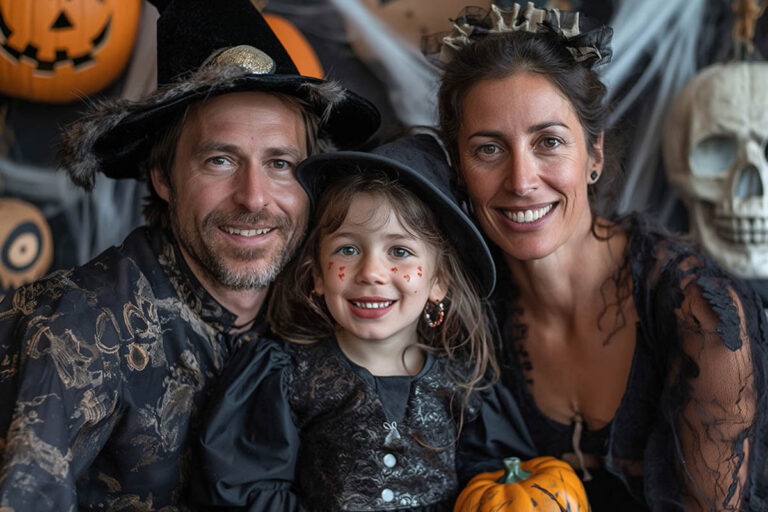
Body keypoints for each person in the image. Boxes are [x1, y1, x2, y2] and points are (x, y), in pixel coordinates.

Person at [0, 0, 380, 509]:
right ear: (163, 178)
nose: (254, 197)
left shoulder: (322, 311)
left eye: (281, 163)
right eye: (220, 160)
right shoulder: (81, 328)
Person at [433, 3, 768, 511]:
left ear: (594, 155)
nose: (522, 181)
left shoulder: (700, 311)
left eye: (548, 142)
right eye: (488, 149)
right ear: (458, 167)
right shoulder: (467, 309)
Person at [195, 133, 536, 511]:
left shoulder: (464, 385)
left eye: (401, 251)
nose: (372, 272)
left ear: (439, 282)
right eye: (348, 249)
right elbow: (249, 489)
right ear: (318, 277)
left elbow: (499, 486)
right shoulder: (286, 375)